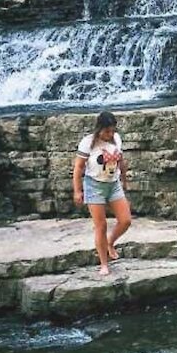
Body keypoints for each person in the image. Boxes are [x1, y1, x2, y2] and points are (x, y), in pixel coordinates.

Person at [73, 111, 133, 275]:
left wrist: (124, 181)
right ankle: (104, 264)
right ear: (99, 129)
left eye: (112, 130)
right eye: (107, 131)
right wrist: (77, 191)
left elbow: (120, 161)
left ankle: (110, 242)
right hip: (94, 185)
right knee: (101, 225)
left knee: (125, 220)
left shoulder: (117, 139)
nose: (110, 134)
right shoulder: (88, 143)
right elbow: (78, 167)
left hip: (113, 184)